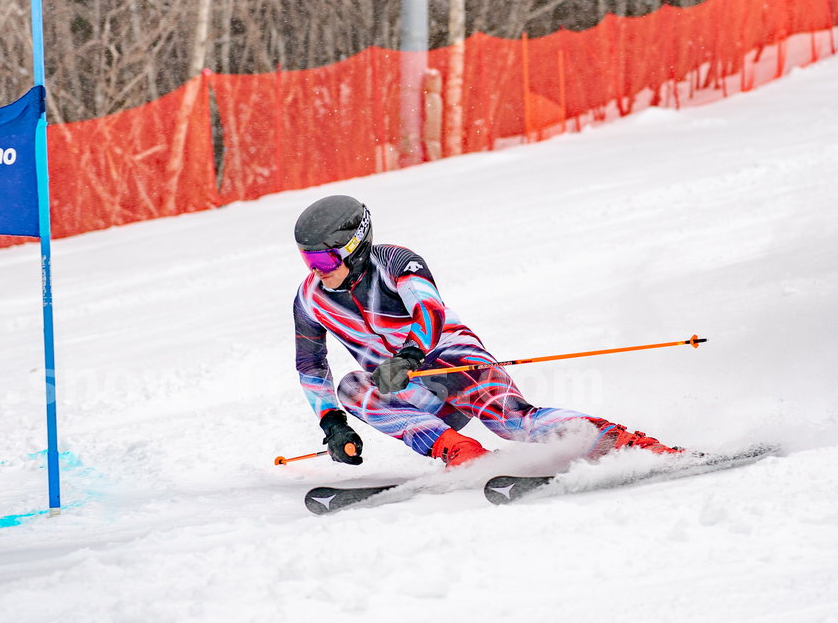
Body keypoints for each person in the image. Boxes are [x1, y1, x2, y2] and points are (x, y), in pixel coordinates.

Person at [291, 194, 683, 468]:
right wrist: (333, 423)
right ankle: (459, 451)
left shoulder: (395, 262)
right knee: (352, 387)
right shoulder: (310, 298)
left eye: (323, 257)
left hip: (454, 362)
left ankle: (628, 445)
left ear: (355, 244)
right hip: (414, 391)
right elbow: (311, 365)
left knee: (513, 423)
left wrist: (409, 357)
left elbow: (429, 310)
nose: (316, 268)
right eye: (308, 257)